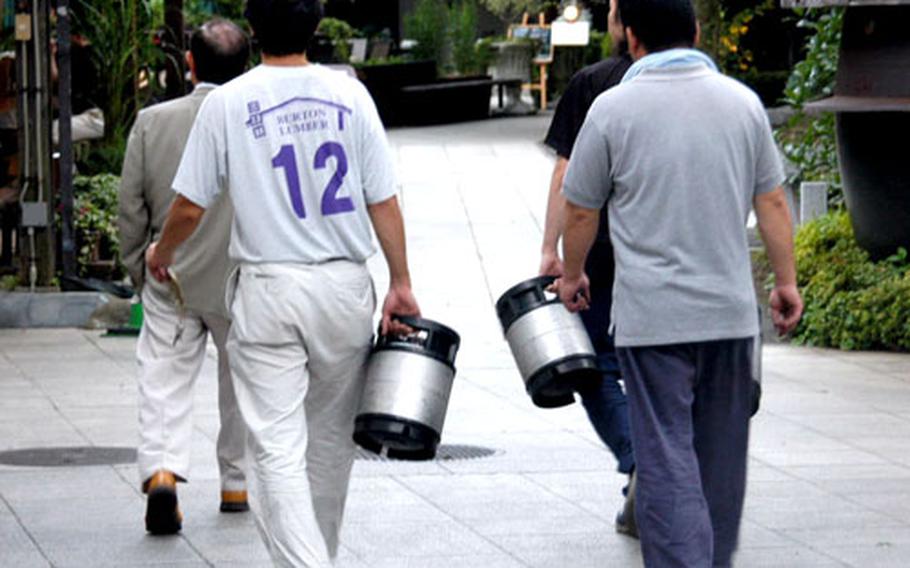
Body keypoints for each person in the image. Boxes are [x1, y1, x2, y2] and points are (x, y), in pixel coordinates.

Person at [145, 0, 420, 564]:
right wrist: (400, 280)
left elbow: (191, 207)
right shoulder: (351, 94)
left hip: (269, 288)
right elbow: (382, 198)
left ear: (253, 27)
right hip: (344, 287)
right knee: (329, 445)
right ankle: (320, 554)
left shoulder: (227, 103)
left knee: (274, 446)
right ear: (316, 26)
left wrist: (161, 252)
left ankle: (306, 562)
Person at [555, 0, 803, 566]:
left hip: (652, 320)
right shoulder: (742, 103)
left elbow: (580, 208)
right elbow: (771, 200)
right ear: (695, 32)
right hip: (730, 317)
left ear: (631, 37)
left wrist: (573, 275)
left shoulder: (612, 109)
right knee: (719, 461)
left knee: (664, 456)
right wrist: (785, 282)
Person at [118, 19, 251, 535]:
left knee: (162, 380)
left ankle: (162, 473)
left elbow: (131, 206)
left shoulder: (153, 122)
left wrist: (139, 266)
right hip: (238, 274)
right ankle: (235, 484)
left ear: (190, 64)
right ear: (245, 64)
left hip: (168, 271)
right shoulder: (253, 120)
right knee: (238, 380)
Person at [539, 0, 636, 537]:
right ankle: (654, 476)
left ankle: (638, 462)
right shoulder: (711, 88)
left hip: (598, 253)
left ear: (623, 23)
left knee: (596, 363)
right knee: (661, 370)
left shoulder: (594, 84)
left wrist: (552, 251)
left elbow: (567, 176)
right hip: (675, 258)